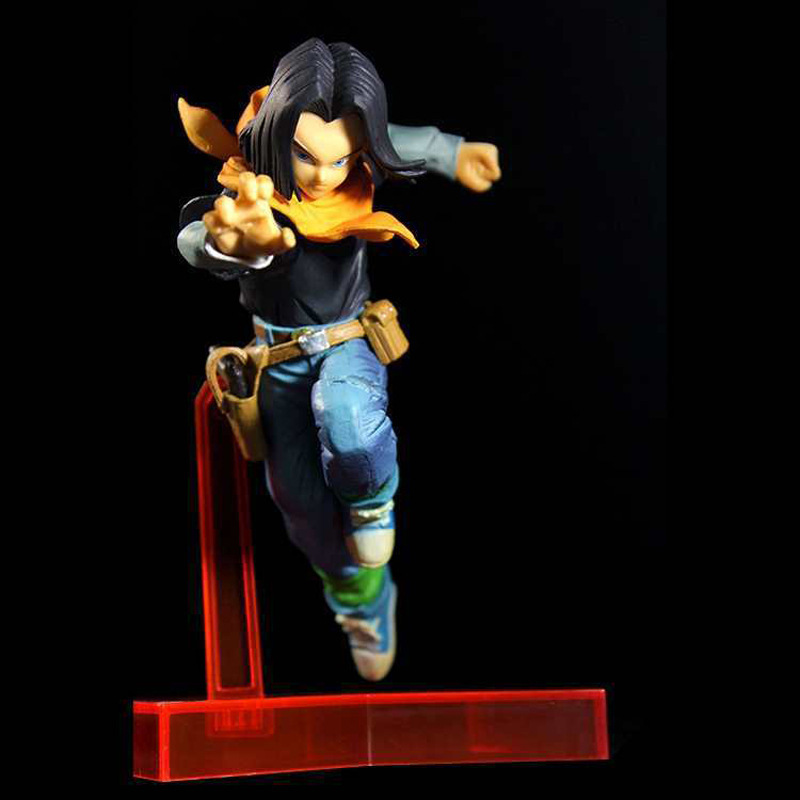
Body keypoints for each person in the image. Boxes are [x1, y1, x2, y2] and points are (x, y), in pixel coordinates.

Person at [177, 38, 500, 681]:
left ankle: (374, 502)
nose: (325, 175)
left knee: (347, 416)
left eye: (341, 158)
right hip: (275, 360)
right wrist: (233, 248)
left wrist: (452, 151)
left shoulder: (359, 174)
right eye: (305, 155)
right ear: (276, 133)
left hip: (348, 342)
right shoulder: (248, 183)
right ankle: (364, 604)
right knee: (299, 504)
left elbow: (401, 140)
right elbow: (193, 237)